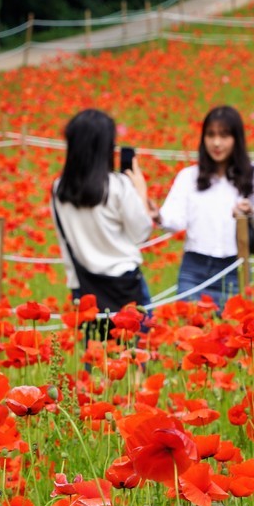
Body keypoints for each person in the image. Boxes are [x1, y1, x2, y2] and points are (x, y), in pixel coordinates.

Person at [152, 105, 254, 311]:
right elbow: (174, 219)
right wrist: (158, 216)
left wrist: (251, 212)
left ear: (237, 139)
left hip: (233, 269)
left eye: (224, 135)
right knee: (189, 335)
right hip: (193, 269)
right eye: (210, 135)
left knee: (231, 337)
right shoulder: (189, 176)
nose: (216, 143)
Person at [50, 109, 154, 346]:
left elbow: (65, 245)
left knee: (96, 360)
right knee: (133, 362)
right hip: (126, 286)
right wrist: (141, 191)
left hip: (84, 288)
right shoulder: (118, 186)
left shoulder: (58, 189)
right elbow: (141, 232)